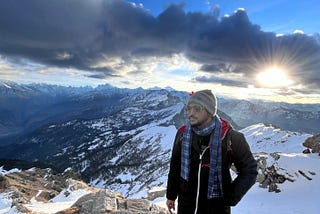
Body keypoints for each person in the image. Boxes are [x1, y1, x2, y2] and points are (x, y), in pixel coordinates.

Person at [166, 90, 257, 214]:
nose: (190, 113)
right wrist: (171, 195)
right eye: (189, 108)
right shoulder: (183, 134)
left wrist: (231, 197)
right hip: (186, 206)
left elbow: (249, 170)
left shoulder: (231, 138)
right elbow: (175, 166)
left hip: (216, 208)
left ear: (209, 111)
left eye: (197, 108)